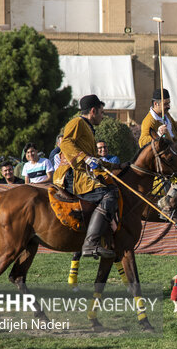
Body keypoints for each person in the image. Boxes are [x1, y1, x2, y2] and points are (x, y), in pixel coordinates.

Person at [53, 94, 124, 259]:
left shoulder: (88, 128)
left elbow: (95, 160)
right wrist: (84, 157)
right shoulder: (77, 122)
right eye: (101, 112)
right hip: (71, 174)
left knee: (112, 188)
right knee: (110, 193)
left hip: (82, 174)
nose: (102, 116)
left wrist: (117, 166)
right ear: (93, 110)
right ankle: (91, 243)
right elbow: (65, 143)